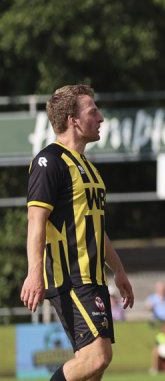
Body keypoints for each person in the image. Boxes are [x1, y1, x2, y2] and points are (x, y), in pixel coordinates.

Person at [20, 84, 134, 381]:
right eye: (93, 111)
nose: (101, 118)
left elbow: (96, 228)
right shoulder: (49, 161)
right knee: (97, 357)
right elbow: (36, 221)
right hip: (70, 277)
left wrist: (118, 270)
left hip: (93, 279)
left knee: (93, 368)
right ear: (73, 119)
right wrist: (34, 272)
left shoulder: (89, 169)